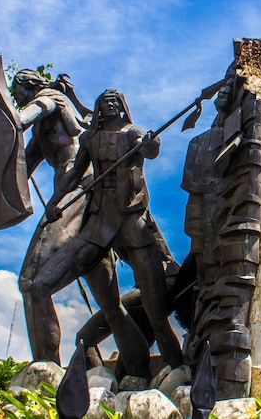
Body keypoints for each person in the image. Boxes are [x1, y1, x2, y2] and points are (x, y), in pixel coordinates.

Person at [33, 89, 182, 378]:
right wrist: (54, 203)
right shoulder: (90, 138)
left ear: (123, 106)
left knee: (156, 315)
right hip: (99, 223)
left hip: (131, 222)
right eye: (105, 101)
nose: (111, 105)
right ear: (100, 108)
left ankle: (179, 371)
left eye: (115, 101)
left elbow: (151, 149)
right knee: (42, 283)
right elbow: (75, 173)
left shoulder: (132, 133)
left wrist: (150, 143)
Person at [11, 69, 91, 364]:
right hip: (67, 193)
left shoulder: (49, 99)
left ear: (26, 86)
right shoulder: (43, 133)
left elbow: (18, 120)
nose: (14, 95)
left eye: (15, 89)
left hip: (77, 189)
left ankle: (47, 371)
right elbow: (19, 166)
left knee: (31, 281)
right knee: (108, 306)